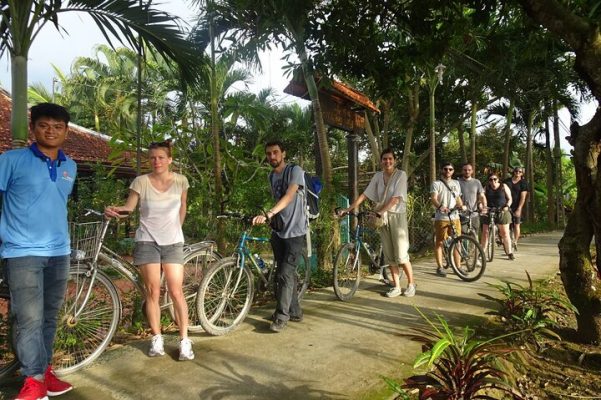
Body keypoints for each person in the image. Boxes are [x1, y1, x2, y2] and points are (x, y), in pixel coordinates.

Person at [0, 103, 76, 400]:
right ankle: (32, 380)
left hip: (60, 251)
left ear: (66, 132)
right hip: (22, 252)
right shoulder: (10, 160)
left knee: (49, 317)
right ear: (33, 128)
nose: (51, 131)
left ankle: (43, 373)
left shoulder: (69, 166)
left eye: (58, 127)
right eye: (44, 125)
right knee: (28, 319)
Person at [104, 140, 194, 360]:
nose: (156, 161)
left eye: (161, 157)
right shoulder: (140, 182)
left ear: (169, 160)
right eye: (152, 157)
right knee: (152, 291)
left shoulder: (181, 181)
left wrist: (177, 227)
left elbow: (183, 206)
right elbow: (129, 208)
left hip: (173, 242)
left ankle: (184, 341)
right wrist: (115, 211)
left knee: (176, 291)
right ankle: (157, 338)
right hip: (147, 241)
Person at [338, 149, 415, 298]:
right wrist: (348, 208)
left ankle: (411, 284)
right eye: (384, 159)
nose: (387, 162)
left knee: (401, 253)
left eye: (390, 159)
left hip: (396, 216)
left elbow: (396, 199)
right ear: (380, 161)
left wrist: (381, 211)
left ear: (395, 160)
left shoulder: (401, 175)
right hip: (382, 219)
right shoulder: (378, 176)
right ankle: (397, 287)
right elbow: (365, 194)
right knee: (389, 254)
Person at [252, 140, 307, 332]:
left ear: (283, 153)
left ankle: (281, 317)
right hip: (279, 232)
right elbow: (278, 200)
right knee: (283, 274)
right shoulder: (271, 176)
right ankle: (295, 311)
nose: (272, 157)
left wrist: (269, 213)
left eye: (275, 152)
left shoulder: (295, 171)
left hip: (296, 232)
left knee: (284, 273)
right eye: (268, 154)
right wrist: (271, 218)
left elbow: (290, 195)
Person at [430, 162, 465, 277]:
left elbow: (458, 197)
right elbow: (434, 198)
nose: (448, 171)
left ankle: (458, 266)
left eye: (450, 169)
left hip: (455, 216)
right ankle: (440, 267)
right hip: (442, 217)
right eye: (445, 169)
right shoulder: (436, 184)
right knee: (439, 242)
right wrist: (440, 207)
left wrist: (462, 206)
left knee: (457, 241)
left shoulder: (456, 183)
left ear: (453, 171)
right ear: (441, 170)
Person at [481, 173, 515, 260]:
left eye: (495, 179)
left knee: (505, 233)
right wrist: (481, 206)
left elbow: (510, 198)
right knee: (485, 233)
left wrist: (507, 206)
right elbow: (481, 197)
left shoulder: (503, 186)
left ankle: (509, 252)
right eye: (491, 179)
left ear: (498, 179)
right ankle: (482, 253)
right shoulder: (486, 188)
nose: (493, 181)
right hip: (489, 210)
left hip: (502, 210)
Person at [457, 163, 486, 235]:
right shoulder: (457, 183)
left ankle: (474, 247)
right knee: (462, 236)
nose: (467, 172)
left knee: (475, 236)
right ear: (462, 171)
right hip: (461, 214)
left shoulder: (476, 182)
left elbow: (482, 196)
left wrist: (484, 206)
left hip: (474, 214)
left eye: (469, 170)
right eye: (465, 170)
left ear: (472, 171)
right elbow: (455, 197)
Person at [504, 166, 529, 248]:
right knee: (506, 224)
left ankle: (515, 241)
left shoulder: (523, 183)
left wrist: (519, 208)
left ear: (522, 173)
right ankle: (506, 241)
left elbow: (523, 197)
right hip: (506, 205)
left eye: (520, 171)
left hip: (517, 206)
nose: (518, 173)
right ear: (513, 172)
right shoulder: (507, 181)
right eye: (516, 171)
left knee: (516, 224)